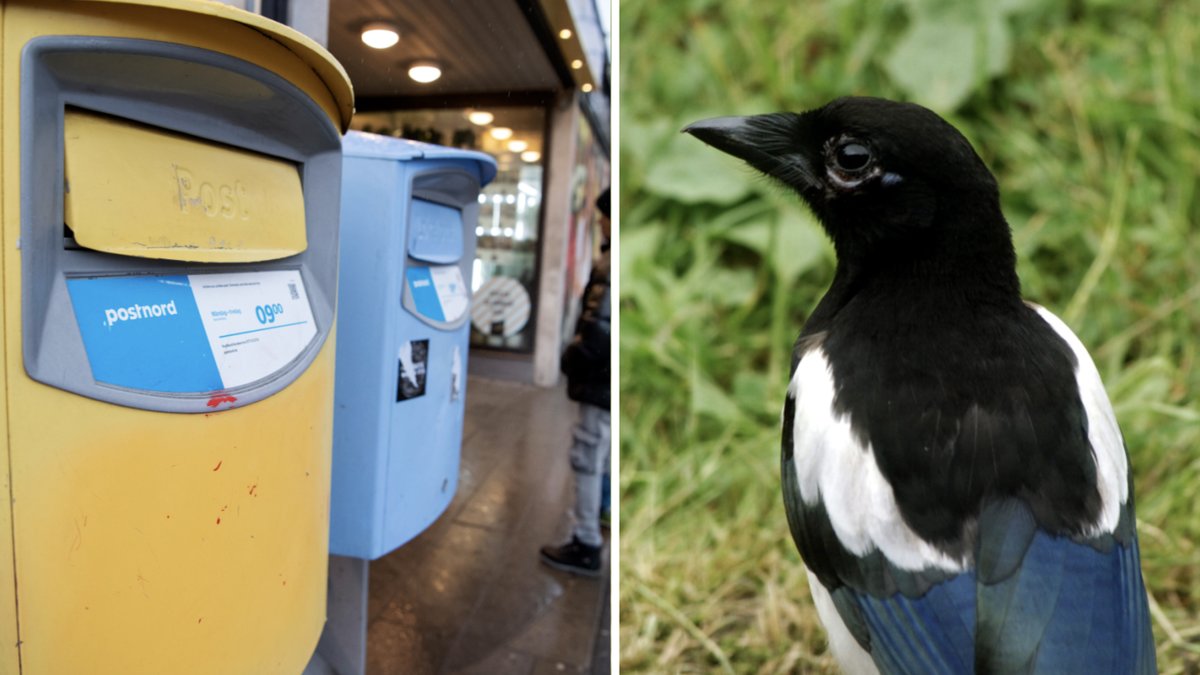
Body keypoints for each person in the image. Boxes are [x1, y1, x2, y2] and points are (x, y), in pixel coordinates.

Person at [540, 187, 612, 577]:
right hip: (607, 387)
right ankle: (603, 511)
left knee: (587, 457)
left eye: (602, 214)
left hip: (599, 385)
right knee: (602, 454)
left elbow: (598, 333)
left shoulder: (608, 264)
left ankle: (585, 542)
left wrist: (570, 359)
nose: (598, 221)